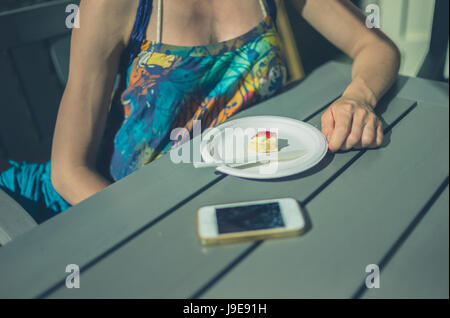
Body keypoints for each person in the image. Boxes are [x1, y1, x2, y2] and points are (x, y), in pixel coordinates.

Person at [0, 0, 400, 223]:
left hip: (236, 193)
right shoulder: (114, 4)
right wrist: (158, 226)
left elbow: (375, 47)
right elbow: (68, 170)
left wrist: (358, 97)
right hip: (122, 207)